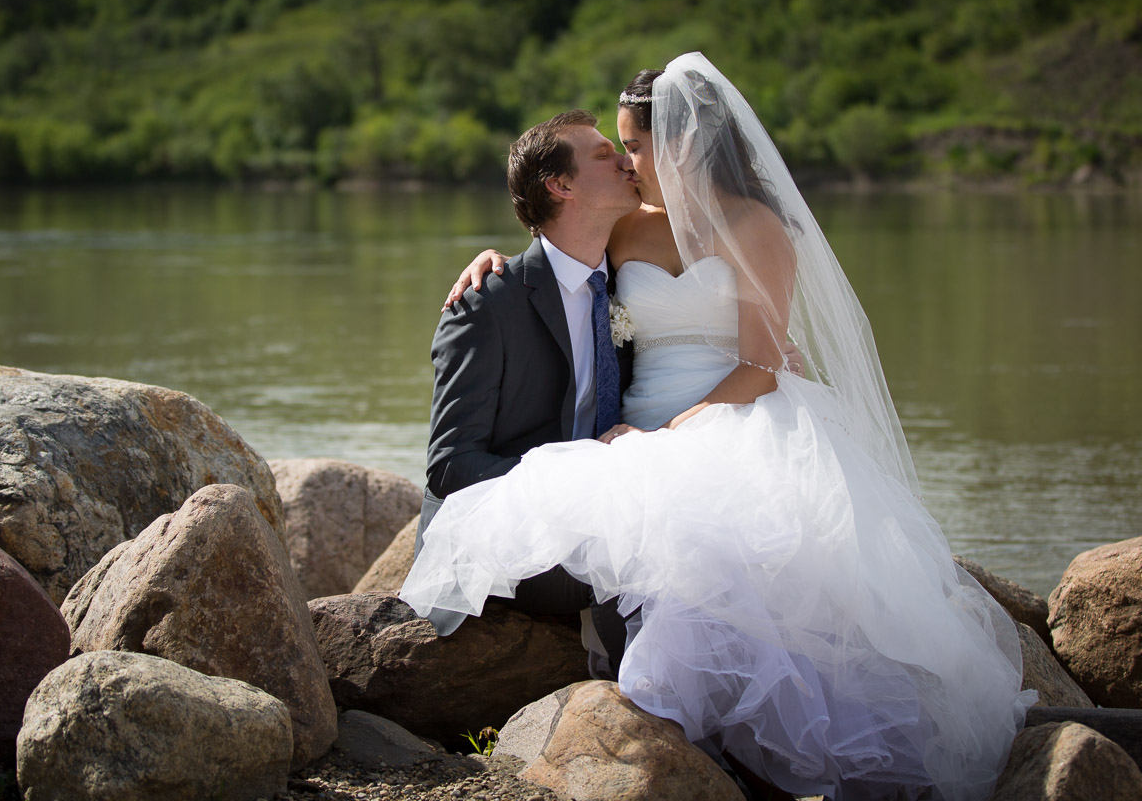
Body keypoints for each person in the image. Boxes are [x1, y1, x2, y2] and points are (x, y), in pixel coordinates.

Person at [402, 53, 1031, 801]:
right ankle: (654, 746)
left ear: (681, 144)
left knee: (740, 558)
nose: (629, 164)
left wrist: (671, 439)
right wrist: (490, 263)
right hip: (638, 435)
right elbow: (568, 264)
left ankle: (711, 746)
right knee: (663, 543)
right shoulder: (628, 229)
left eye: (632, 146)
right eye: (618, 153)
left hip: (728, 413)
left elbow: (760, 364)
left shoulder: (752, 225)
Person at [415, 108, 640, 674]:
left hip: (597, 512)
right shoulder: (486, 302)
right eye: (602, 154)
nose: (624, 160)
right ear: (561, 186)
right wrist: (578, 476)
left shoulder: (630, 282)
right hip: (507, 534)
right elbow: (450, 465)